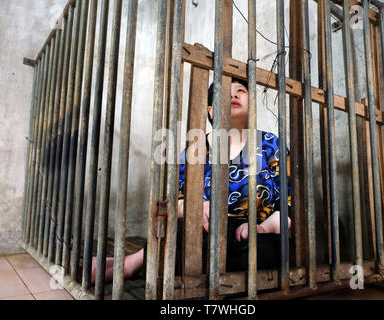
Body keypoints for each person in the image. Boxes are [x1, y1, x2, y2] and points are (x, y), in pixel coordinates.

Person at [91, 78, 291, 283]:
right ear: (211, 111)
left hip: (254, 232)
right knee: (181, 239)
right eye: (225, 92)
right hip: (203, 230)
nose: (233, 95)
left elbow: (289, 202)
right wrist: (192, 208)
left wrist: (263, 227)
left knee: (262, 256)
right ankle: (134, 263)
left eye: (241, 90)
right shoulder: (195, 150)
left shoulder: (271, 145)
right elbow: (173, 200)